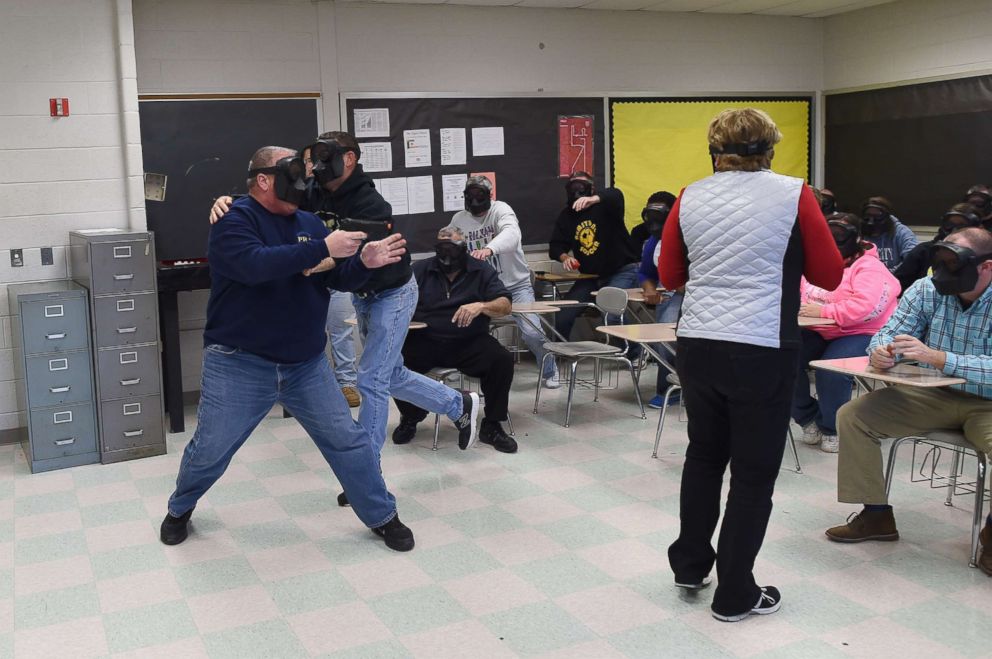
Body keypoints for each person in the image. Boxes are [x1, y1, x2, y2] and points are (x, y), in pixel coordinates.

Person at [162, 146, 415, 551]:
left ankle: (382, 515)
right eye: (295, 170)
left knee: (347, 441)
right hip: (239, 363)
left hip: (306, 364)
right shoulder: (234, 219)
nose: (304, 179)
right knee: (211, 447)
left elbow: (332, 279)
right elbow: (254, 266)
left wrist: (363, 263)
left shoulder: (311, 223)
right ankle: (180, 508)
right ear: (263, 178)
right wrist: (323, 249)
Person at [211, 131, 481, 507]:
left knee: (370, 379)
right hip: (363, 293)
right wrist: (229, 201)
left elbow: (339, 258)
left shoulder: (370, 203)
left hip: (394, 293)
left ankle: (365, 476)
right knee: (390, 374)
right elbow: (274, 197)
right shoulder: (319, 189)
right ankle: (458, 404)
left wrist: (308, 260)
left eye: (324, 158)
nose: (315, 168)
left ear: (349, 159)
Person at [659, 108, 844, 622]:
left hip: (697, 341)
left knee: (703, 457)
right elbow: (829, 274)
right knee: (753, 474)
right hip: (762, 345)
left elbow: (671, 273)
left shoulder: (689, 195)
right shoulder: (794, 193)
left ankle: (691, 565)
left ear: (715, 151)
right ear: (771, 147)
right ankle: (735, 593)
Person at [824, 227, 992, 577]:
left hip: (987, 404)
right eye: (940, 263)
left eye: (953, 266)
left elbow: (943, 359)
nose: (942, 274)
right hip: (932, 393)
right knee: (855, 416)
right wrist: (883, 352)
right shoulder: (927, 289)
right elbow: (887, 332)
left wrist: (940, 358)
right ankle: (876, 516)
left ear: (986, 267)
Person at [393, 227, 517, 453]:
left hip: (469, 340)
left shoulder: (481, 270)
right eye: (442, 249)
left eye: (453, 248)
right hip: (425, 339)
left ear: (465, 248)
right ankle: (411, 416)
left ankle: (492, 425)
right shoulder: (419, 270)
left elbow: (505, 304)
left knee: (501, 360)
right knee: (393, 362)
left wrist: (482, 306)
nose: (447, 256)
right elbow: (397, 300)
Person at [792, 212, 901, 453]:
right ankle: (808, 418)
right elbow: (798, 294)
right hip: (818, 329)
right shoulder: (813, 261)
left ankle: (833, 428)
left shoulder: (869, 267)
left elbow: (866, 308)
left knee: (831, 368)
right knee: (781, 355)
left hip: (863, 331)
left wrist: (825, 311)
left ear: (858, 239)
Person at [447, 175, 558, 389]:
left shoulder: (501, 210)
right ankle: (456, 367)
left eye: (480, 195)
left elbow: (511, 234)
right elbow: (448, 240)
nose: (474, 201)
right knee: (454, 323)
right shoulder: (459, 219)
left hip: (515, 286)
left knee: (533, 332)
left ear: (490, 195)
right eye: (469, 196)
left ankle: (549, 369)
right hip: (481, 290)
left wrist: (490, 249)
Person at [548, 171, 641, 340]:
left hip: (621, 270)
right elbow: (555, 246)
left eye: (581, 186)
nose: (577, 190)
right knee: (563, 314)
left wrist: (594, 199)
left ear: (592, 188)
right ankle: (560, 355)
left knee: (612, 312)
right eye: (573, 186)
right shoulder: (567, 215)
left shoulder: (606, 206)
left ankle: (633, 352)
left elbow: (616, 194)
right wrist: (565, 257)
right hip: (590, 277)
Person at [635, 191, 682, 408]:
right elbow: (645, 273)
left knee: (668, 338)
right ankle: (669, 388)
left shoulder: (686, 237)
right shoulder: (653, 241)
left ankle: (672, 389)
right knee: (665, 337)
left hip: (693, 294)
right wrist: (649, 289)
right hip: (670, 293)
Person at [892, 203, 983, 293]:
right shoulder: (924, 251)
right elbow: (897, 285)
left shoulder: (984, 254)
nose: (954, 230)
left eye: (962, 226)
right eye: (949, 225)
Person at [860, 196, 918, 271]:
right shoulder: (859, 232)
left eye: (877, 216)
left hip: (895, 279)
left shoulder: (902, 232)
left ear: (887, 216)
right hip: (864, 278)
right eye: (868, 216)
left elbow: (912, 260)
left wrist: (888, 275)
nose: (871, 221)